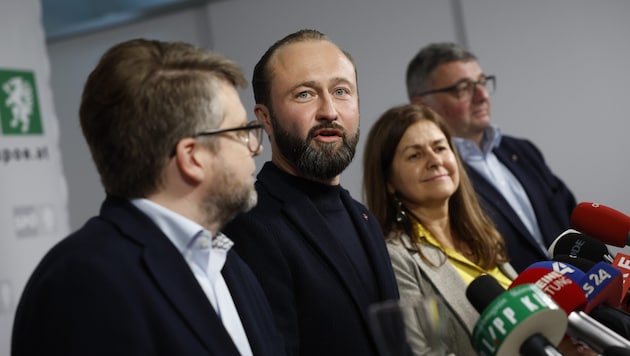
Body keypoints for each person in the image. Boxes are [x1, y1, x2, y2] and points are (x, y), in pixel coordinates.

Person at [12, 39, 285, 356]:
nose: (256, 147)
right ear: (192, 157)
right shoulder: (82, 283)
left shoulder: (228, 264)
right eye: (241, 132)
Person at [222, 29, 401, 356]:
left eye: (342, 91)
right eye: (305, 94)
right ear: (266, 118)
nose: (329, 111)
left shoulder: (364, 219)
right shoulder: (252, 226)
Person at [406, 42, 577, 272]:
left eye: (482, 82)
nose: (482, 96)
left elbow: (571, 218)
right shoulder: (437, 177)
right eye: (464, 88)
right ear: (424, 105)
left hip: (582, 294)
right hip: (519, 303)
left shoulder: (523, 151)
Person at [363, 103, 518, 355]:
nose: (435, 161)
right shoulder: (394, 257)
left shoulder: (484, 234)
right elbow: (422, 351)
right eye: (415, 155)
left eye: (439, 148)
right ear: (389, 181)